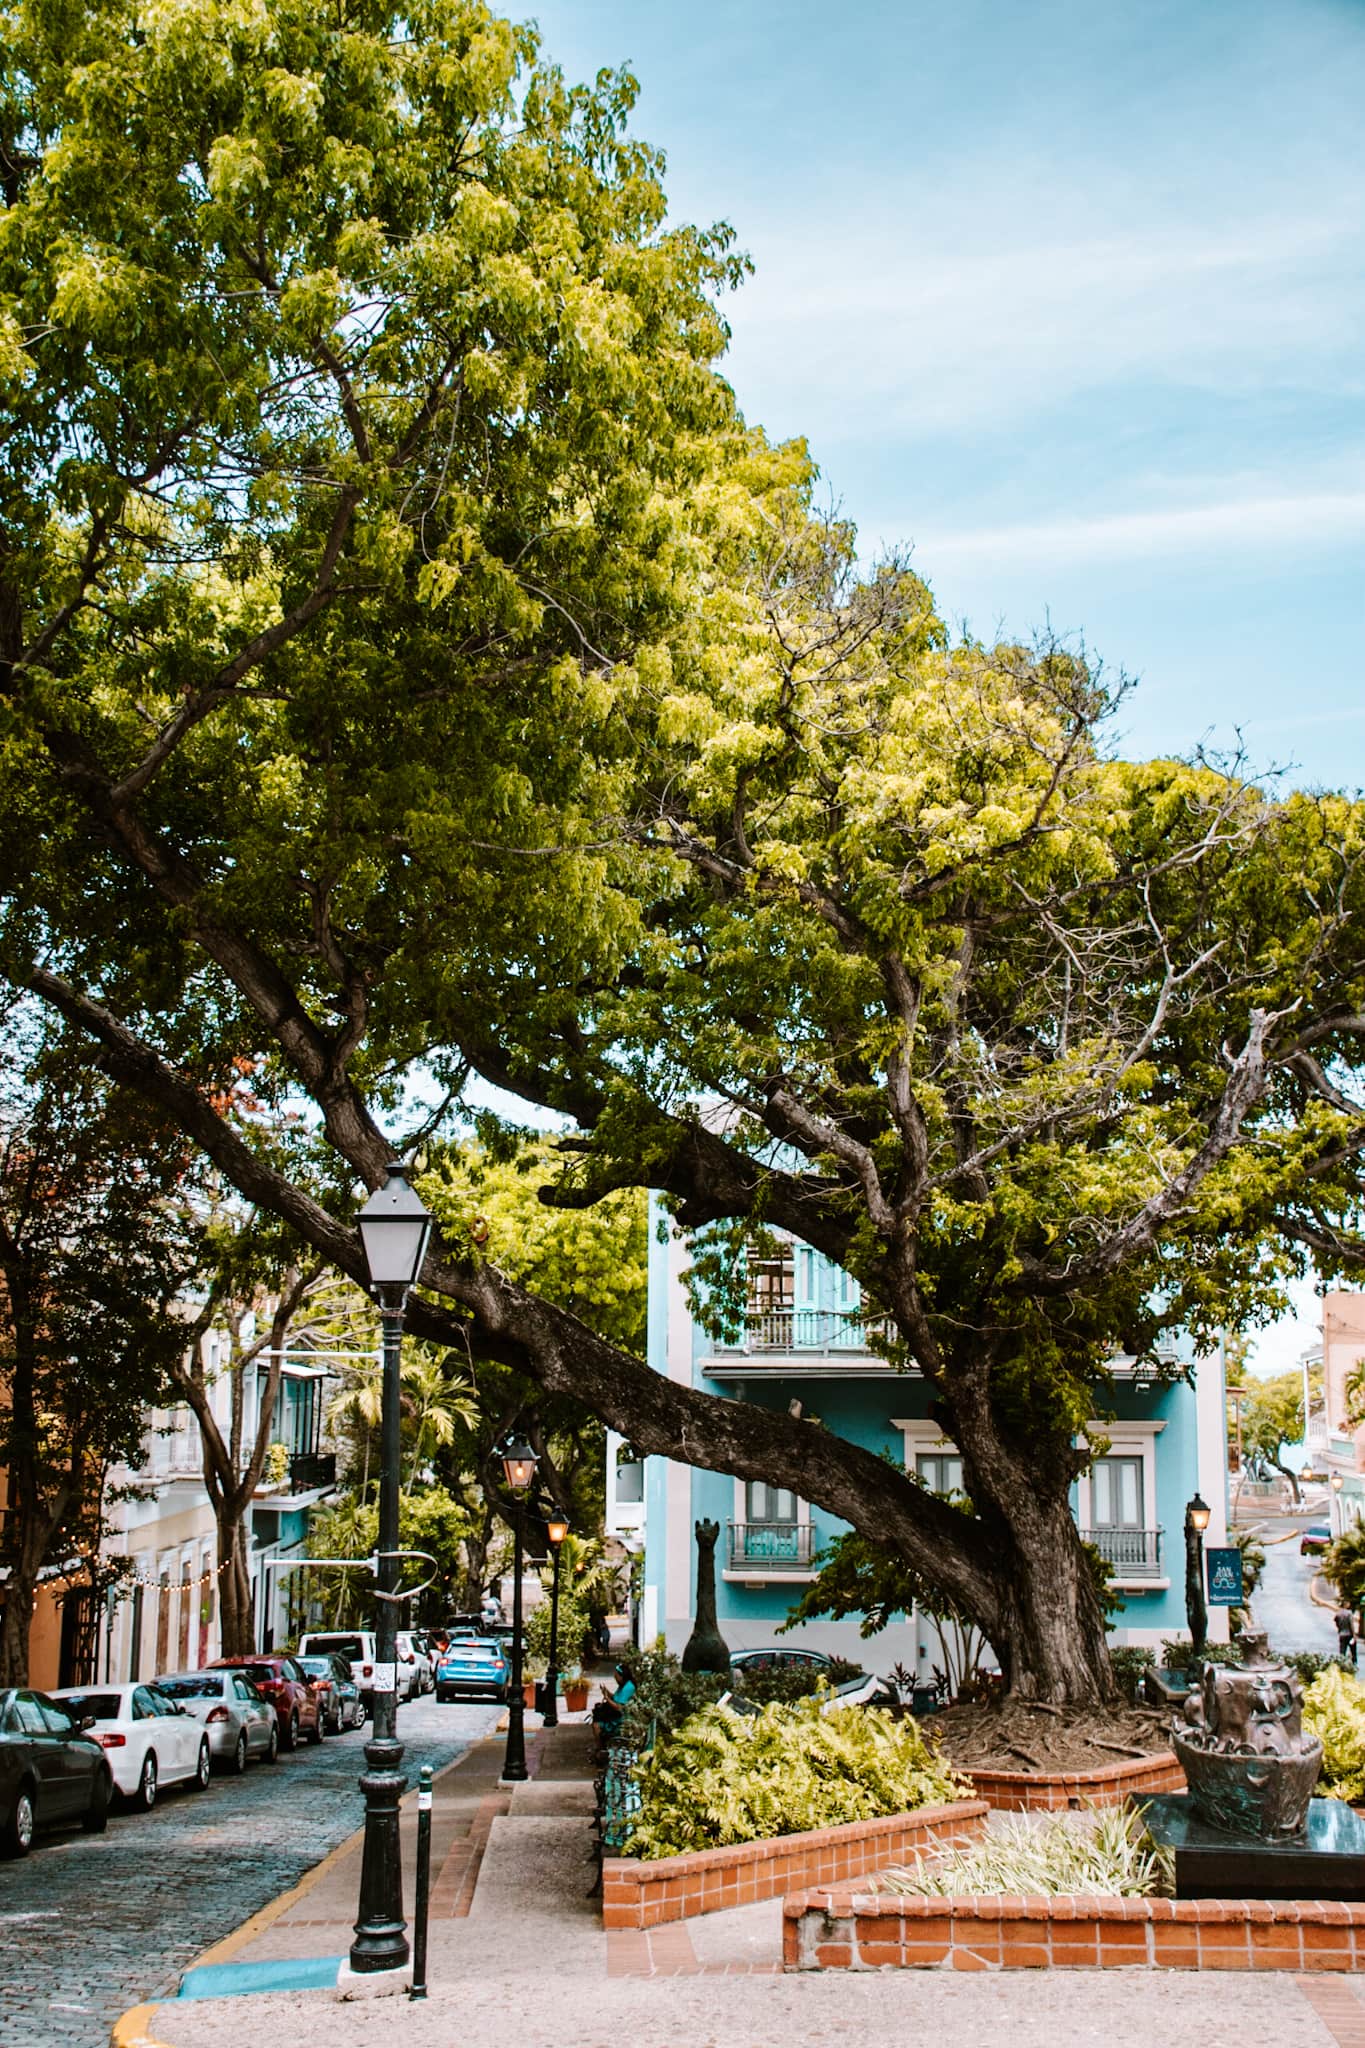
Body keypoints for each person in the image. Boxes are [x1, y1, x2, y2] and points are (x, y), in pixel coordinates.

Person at [591, 1662, 636, 1732]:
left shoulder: (628, 1687)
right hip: (616, 1715)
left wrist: (607, 1698)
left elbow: (619, 1707)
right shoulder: (623, 1684)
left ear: (622, 1676)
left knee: (596, 1725)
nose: (615, 1678)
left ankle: (600, 1742)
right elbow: (616, 1697)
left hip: (620, 1718)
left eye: (616, 1676)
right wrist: (607, 1692)